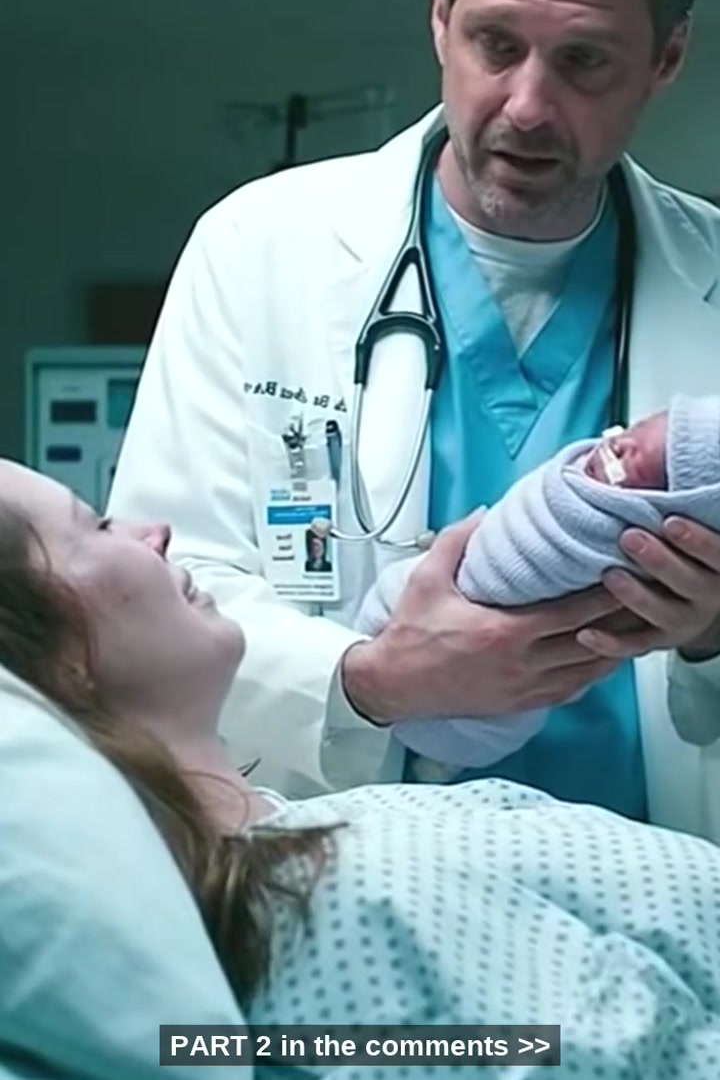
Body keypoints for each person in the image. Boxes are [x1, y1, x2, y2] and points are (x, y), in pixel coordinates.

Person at [109, 0, 720, 834]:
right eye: (496, 43)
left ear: (667, 58)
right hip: (349, 887)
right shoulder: (258, 250)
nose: (528, 105)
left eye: (584, 61)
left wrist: (710, 635)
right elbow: (154, 601)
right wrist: (371, 679)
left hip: (656, 895)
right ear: (441, 14)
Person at [2, 461, 720, 1079]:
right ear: (56, 658)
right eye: (96, 526)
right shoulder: (331, 913)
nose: (153, 531)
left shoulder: (330, 854)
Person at [357, 394, 720, 770]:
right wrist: (377, 681)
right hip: (378, 774)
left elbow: (704, 723)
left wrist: (709, 636)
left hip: (607, 782)